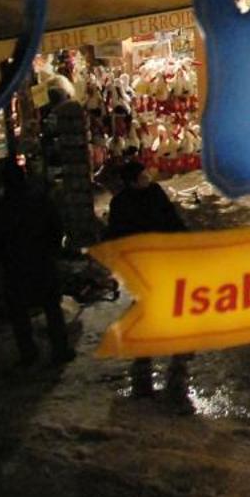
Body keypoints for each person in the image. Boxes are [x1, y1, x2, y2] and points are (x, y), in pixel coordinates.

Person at [103, 158, 189, 397]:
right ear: (131, 182)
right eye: (142, 177)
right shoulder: (120, 203)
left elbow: (172, 219)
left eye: (146, 176)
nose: (147, 179)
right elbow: (117, 234)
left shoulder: (155, 192)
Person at [0, 160, 75, 367]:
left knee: (19, 313)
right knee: (52, 308)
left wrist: (2, 256)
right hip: (42, 261)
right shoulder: (39, 200)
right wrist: (53, 249)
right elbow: (56, 227)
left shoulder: (1, 206)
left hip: (15, 265)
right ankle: (60, 350)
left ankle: (28, 353)